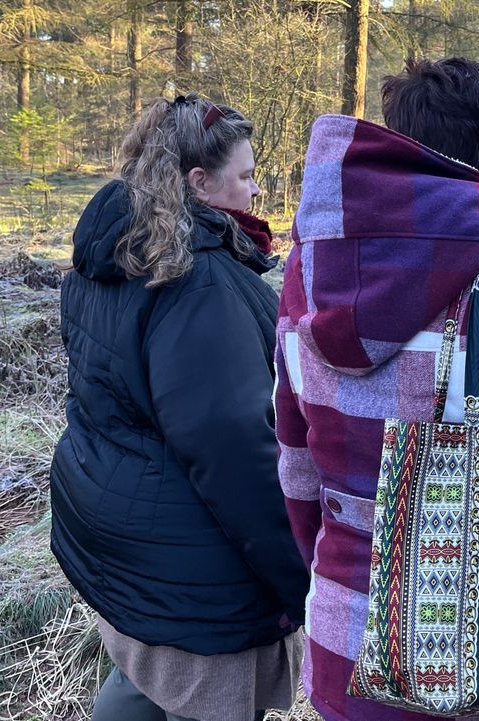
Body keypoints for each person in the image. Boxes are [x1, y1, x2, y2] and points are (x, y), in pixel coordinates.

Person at [274, 58, 479, 721]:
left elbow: (294, 465)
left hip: (341, 652)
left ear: (397, 138)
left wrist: (338, 567)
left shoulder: (306, 270)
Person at [49, 94, 310, 721]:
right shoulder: (201, 285)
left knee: (141, 677)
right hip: (196, 566)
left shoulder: (119, 250)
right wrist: (302, 578)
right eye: (245, 177)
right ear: (199, 181)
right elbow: (234, 453)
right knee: (190, 686)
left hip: (122, 536)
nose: (255, 192)